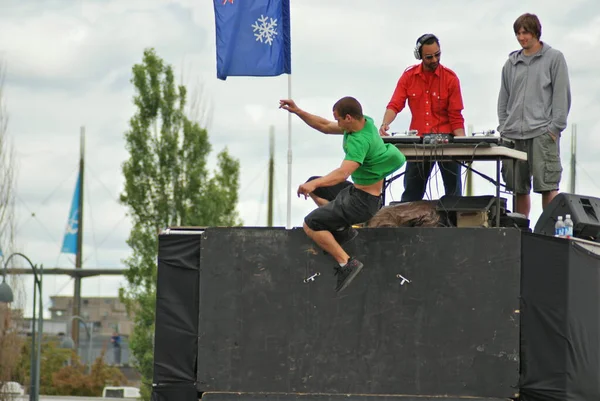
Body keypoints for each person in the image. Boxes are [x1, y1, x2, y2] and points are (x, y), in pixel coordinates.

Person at [279, 97, 405, 293]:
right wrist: (298, 111)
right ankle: (341, 229)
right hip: (356, 192)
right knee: (317, 185)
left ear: (348, 118)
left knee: (310, 224)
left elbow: (342, 173)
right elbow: (324, 125)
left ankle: (346, 262)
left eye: (338, 119)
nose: (336, 123)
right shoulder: (364, 123)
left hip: (362, 203)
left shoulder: (360, 142)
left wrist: (313, 184)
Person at [498, 13, 571, 217]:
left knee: (548, 185)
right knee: (518, 188)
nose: (522, 38)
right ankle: (521, 232)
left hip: (542, 133)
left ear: (536, 33)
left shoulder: (554, 58)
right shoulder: (511, 63)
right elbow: (503, 99)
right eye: (518, 33)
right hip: (513, 136)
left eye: (526, 33)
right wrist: (504, 127)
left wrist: (554, 129)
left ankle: (549, 234)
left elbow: (561, 96)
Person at [379, 33, 466, 202]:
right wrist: (385, 124)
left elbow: (456, 115)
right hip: (418, 143)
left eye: (437, 55)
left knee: (454, 195)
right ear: (419, 56)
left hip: (447, 144)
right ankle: (409, 224)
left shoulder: (450, 78)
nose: (434, 60)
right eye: (429, 57)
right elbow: (395, 104)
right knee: (412, 193)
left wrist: (464, 145)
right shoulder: (408, 77)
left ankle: (454, 225)